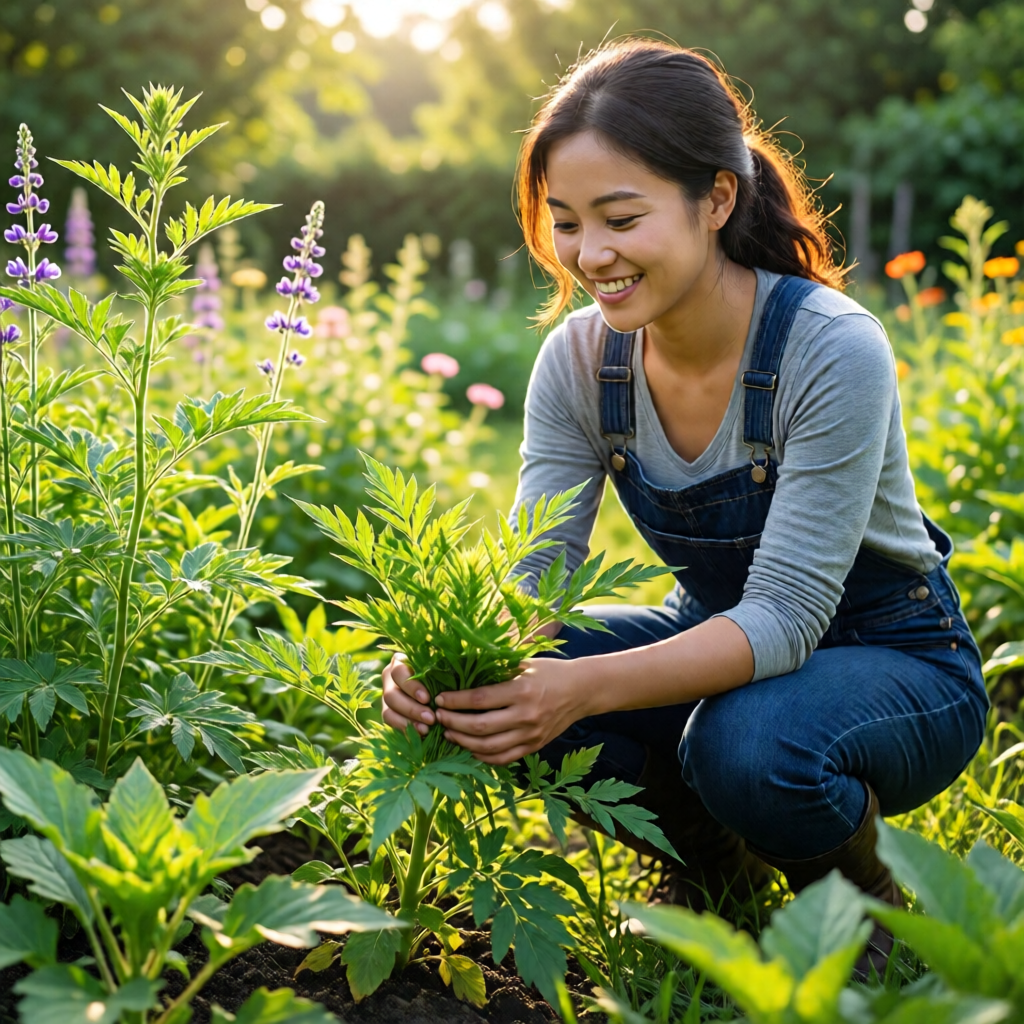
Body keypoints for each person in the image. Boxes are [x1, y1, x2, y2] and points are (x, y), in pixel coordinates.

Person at [381, 38, 988, 968]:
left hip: (892, 661)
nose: (591, 254)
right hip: (707, 642)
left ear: (715, 198)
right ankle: (717, 877)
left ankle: (867, 916)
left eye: (621, 217)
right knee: (486, 691)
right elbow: (537, 578)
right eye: (567, 222)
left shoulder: (831, 348)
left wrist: (573, 689)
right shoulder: (581, 362)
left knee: (742, 746)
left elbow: (786, 620)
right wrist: (455, 656)